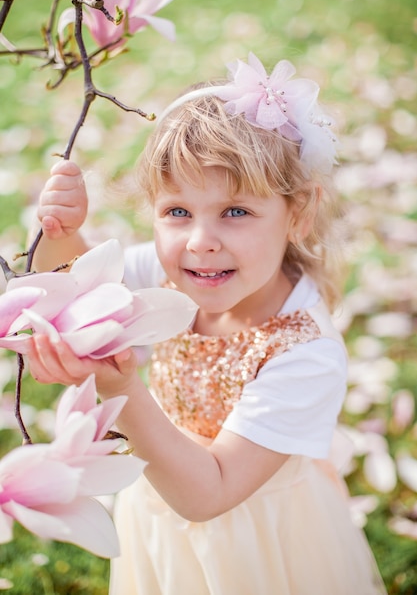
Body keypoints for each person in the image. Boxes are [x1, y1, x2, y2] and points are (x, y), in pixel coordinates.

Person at [27, 53, 387, 595]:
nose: (200, 241)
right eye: (177, 212)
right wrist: (61, 232)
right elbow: (78, 291)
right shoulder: (172, 274)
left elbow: (207, 494)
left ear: (298, 214)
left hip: (261, 544)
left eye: (235, 212)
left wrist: (121, 386)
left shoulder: (304, 353)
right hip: (160, 514)